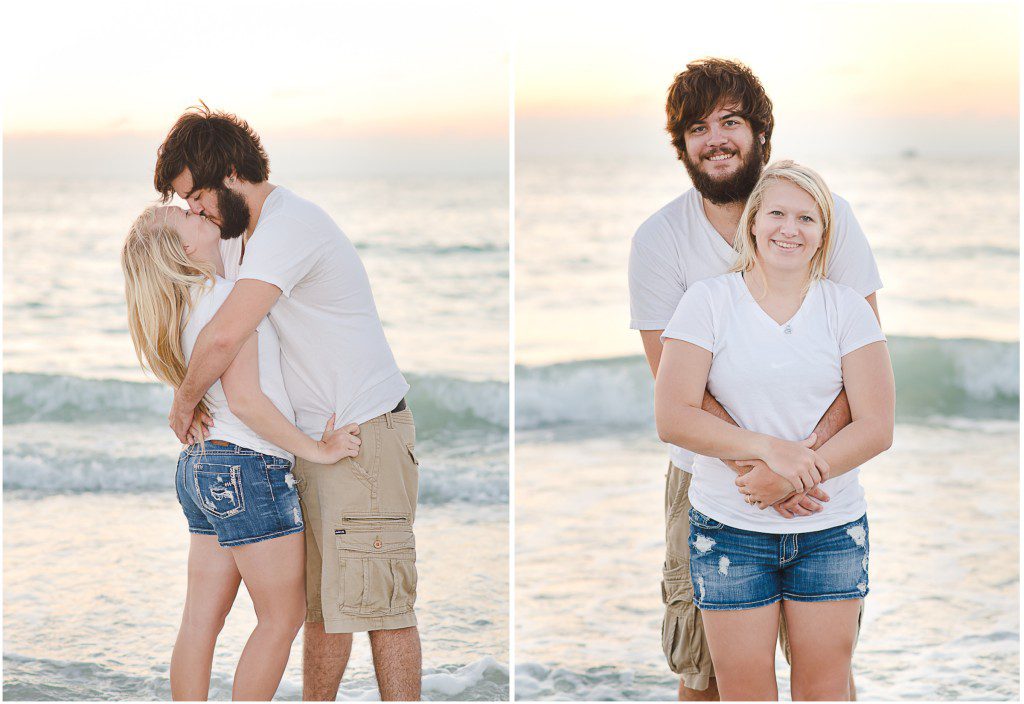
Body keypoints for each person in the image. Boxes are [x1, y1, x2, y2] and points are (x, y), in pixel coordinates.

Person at [628, 58, 883, 700]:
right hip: (708, 481)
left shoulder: (827, 215)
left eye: (730, 120)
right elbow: (678, 388)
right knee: (705, 672)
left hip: (821, 485)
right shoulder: (661, 240)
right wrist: (762, 461)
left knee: (825, 669)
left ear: (760, 132)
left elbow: (862, 369)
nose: (715, 138)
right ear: (682, 145)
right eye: (696, 127)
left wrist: (801, 465)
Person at [153, 104, 422, 701]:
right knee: (322, 609)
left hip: (361, 430)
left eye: (195, 196)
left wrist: (183, 401)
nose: (193, 211)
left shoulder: (289, 226)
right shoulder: (238, 240)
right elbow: (191, 300)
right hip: (306, 442)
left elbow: (226, 335)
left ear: (228, 171)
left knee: (380, 605)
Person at [120, 205, 362, 700]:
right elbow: (247, 402)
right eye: (182, 215)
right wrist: (317, 450)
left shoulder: (185, 306)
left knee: (199, 621)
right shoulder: (226, 301)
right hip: (246, 466)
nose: (193, 210)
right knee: (282, 617)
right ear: (184, 248)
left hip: (201, 467)